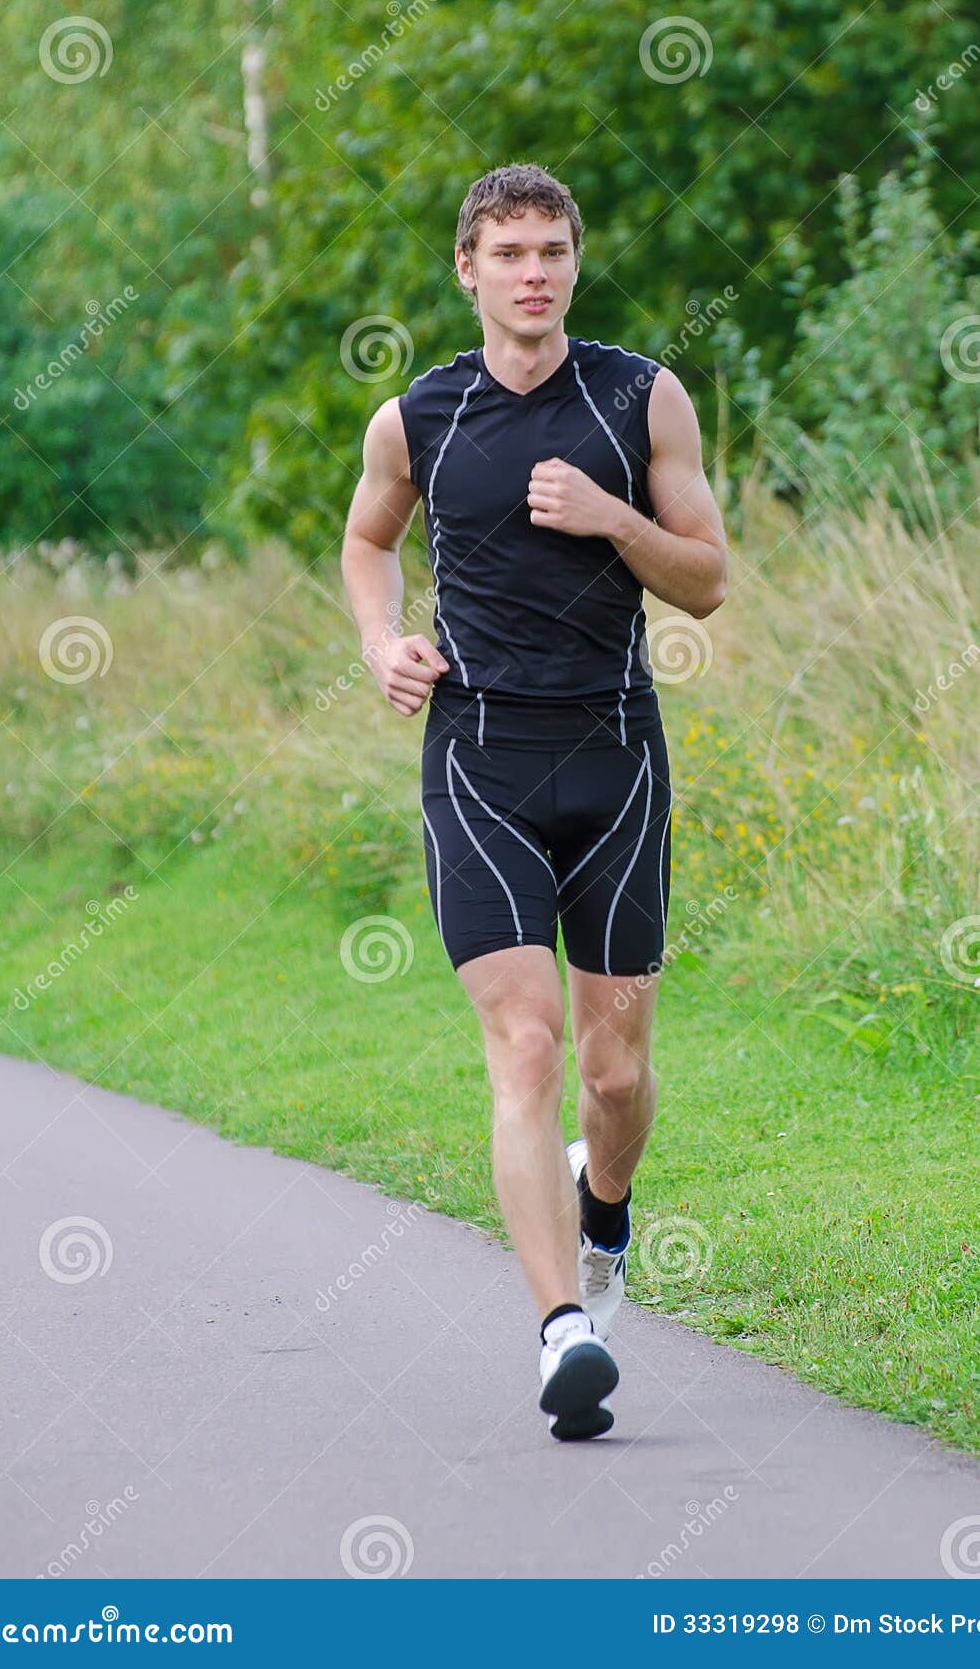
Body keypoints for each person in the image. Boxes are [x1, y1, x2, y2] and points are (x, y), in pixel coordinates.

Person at [341, 162, 727, 1441]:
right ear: (468, 269)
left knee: (615, 1073)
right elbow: (367, 539)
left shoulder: (638, 395)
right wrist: (380, 641)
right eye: (507, 252)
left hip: (617, 757)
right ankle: (562, 1328)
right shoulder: (418, 417)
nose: (533, 273)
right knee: (527, 1044)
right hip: (480, 756)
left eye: (552, 250)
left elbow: (709, 583)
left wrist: (613, 514)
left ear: (574, 260)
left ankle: (602, 1214)